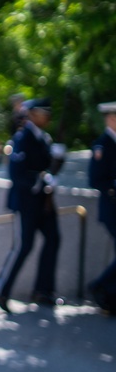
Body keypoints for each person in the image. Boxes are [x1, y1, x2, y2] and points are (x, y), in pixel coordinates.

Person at [0, 98, 65, 312]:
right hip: (26, 201)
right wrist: (42, 178)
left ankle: (43, 290)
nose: (48, 117)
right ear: (32, 114)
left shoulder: (44, 138)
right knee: (24, 245)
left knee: (53, 238)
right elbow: (17, 174)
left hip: (44, 201)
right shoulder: (22, 138)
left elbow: (49, 167)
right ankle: (1, 289)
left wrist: (57, 161)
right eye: (43, 112)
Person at [87, 101, 116, 313]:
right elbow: (95, 180)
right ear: (111, 118)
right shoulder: (102, 145)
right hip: (112, 207)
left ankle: (109, 296)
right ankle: (100, 286)